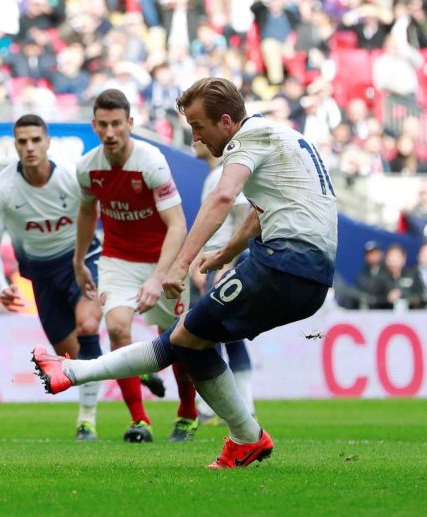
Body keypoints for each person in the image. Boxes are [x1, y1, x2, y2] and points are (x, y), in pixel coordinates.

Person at [34, 77, 338, 468]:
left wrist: (180, 264)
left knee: (186, 338)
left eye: (198, 126)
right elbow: (260, 213)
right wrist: (226, 252)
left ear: (226, 121)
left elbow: (224, 197)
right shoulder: (284, 138)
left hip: (284, 263)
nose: (195, 138)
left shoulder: (248, 140)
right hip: (312, 275)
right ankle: (74, 372)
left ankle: (245, 436)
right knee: (189, 338)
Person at [72, 89, 197, 443]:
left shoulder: (152, 162)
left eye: (116, 124)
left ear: (130, 123)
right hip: (118, 259)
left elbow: (178, 225)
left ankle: (187, 414)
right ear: (94, 125)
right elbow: (86, 211)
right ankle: (140, 420)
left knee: (178, 342)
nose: (110, 132)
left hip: (164, 260)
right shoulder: (88, 168)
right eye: (102, 125)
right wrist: (79, 259)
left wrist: (159, 277)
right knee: (117, 329)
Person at [0, 114, 104, 441]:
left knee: (89, 326)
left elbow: (97, 215)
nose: (30, 147)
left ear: (48, 142)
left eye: (36, 140)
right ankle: (131, 369)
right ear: (15, 145)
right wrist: (0, 285)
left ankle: (86, 420)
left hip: (82, 258)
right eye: (23, 141)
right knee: (75, 357)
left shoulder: (70, 177)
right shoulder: (2, 190)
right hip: (41, 274)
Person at [191, 140, 255, 422]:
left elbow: (242, 219)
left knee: (207, 332)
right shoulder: (214, 175)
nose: (194, 139)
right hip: (214, 262)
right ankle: (245, 403)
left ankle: (210, 406)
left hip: (226, 263)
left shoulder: (228, 173)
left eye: (198, 133)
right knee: (229, 335)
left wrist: (227, 263)